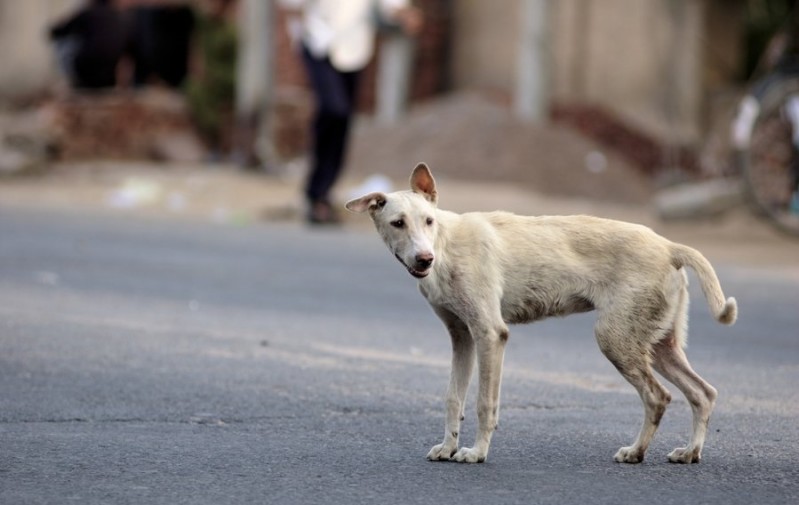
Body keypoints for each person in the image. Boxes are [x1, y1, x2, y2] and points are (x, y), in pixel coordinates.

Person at [277, 0, 423, 225]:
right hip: (318, 41)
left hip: (355, 47)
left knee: (342, 118)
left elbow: (389, 5)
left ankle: (322, 193)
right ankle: (317, 189)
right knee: (334, 109)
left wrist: (403, 13)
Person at [50, 0, 128, 90]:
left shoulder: (87, 14)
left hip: (86, 71)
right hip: (109, 76)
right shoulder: (119, 16)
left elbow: (56, 32)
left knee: (67, 43)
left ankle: (70, 82)